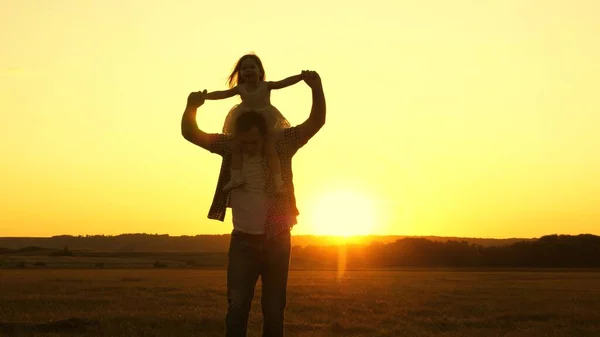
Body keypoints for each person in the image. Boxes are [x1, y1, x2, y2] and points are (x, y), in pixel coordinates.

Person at [181, 70, 325, 337]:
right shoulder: (229, 146)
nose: (248, 146)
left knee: (273, 310)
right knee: (236, 308)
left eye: (254, 142)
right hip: (243, 243)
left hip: (278, 241)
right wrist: (192, 107)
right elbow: (191, 133)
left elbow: (315, 122)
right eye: (243, 142)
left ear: (265, 136)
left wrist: (316, 89)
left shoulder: (281, 146)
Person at [204, 53, 305, 194]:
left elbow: (283, 83)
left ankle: (278, 182)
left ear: (260, 71)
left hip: (265, 121)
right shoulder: (240, 88)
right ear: (240, 73)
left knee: (270, 147)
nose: (248, 70)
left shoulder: (266, 86)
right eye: (244, 68)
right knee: (236, 146)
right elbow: (223, 94)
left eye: (252, 67)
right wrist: (206, 96)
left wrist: (300, 77)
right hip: (245, 121)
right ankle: (236, 176)